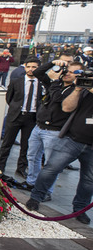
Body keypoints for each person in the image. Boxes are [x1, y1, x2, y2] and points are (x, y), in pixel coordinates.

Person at [26, 75, 93, 225]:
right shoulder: (83, 91)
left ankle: (80, 209)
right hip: (72, 139)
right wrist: (77, 90)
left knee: (89, 180)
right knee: (51, 168)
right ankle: (36, 197)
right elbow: (67, 107)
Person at [23, 57, 80, 194]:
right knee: (32, 157)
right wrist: (53, 63)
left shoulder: (76, 90)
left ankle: (46, 190)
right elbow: (38, 73)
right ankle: (32, 182)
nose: (66, 74)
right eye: (66, 71)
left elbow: (58, 100)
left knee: (51, 164)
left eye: (72, 72)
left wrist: (54, 81)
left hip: (55, 131)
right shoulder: (57, 84)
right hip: (39, 127)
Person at [0, 56, 42, 182]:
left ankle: (21, 168)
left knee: (26, 145)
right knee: (7, 143)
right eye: (29, 67)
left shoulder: (41, 83)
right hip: (16, 115)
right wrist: (16, 108)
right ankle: (1, 166)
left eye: (34, 67)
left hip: (31, 117)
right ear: (25, 67)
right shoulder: (17, 81)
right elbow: (9, 98)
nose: (31, 69)